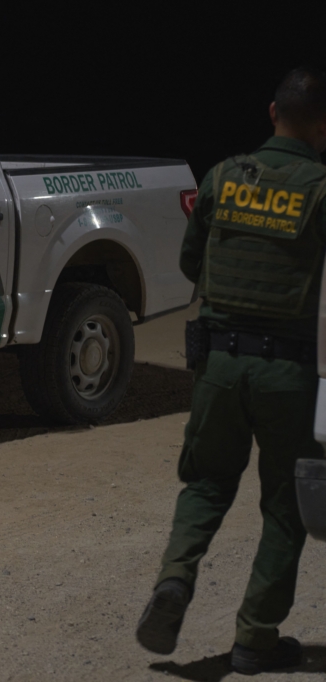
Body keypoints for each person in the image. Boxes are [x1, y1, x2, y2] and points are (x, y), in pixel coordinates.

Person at [136, 67, 326, 675]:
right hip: (286, 374)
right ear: (323, 127)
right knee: (284, 505)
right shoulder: (320, 188)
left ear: (272, 113)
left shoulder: (224, 175)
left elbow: (193, 260)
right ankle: (256, 638)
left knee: (208, 484)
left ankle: (174, 582)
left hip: (218, 362)